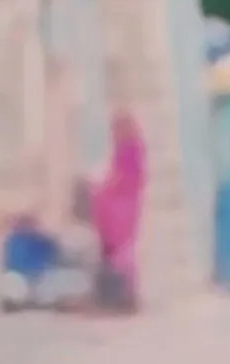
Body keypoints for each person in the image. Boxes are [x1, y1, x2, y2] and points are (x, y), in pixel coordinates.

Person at [89, 109, 146, 313]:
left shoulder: (130, 149)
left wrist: (102, 186)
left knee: (120, 252)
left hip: (122, 206)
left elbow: (124, 178)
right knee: (120, 251)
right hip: (120, 205)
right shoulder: (128, 148)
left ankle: (121, 295)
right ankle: (121, 294)